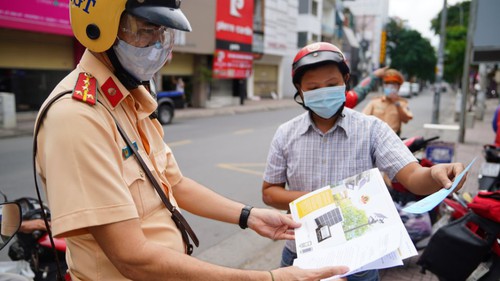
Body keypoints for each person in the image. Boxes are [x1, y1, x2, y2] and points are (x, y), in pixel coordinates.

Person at [34, 2, 349, 281]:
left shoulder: (130, 99)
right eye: (145, 31)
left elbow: (174, 183)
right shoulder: (78, 117)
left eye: (162, 34)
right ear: (99, 28)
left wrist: (249, 216)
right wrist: (268, 278)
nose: (158, 46)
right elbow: (132, 258)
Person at [261, 42, 466, 281]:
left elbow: (412, 177)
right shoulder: (286, 134)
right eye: (313, 87)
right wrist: (325, 200)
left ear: (346, 80)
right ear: (300, 89)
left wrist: (434, 174)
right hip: (300, 259)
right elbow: (269, 193)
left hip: (360, 262)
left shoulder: (372, 129)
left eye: (331, 84)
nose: (323, 91)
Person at [362, 69, 413, 136]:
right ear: (384, 86)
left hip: (393, 138)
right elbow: (363, 118)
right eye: (387, 85)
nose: (390, 88)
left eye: (394, 85)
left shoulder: (402, 103)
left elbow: (406, 119)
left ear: (399, 87)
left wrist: (397, 104)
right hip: (375, 137)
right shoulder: (375, 102)